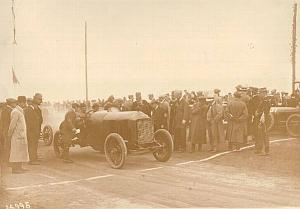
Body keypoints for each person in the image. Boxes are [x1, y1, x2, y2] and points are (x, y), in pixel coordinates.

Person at [8, 96, 30, 173]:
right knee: (16, 153)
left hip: (21, 136)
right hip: (16, 136)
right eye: (24, 102)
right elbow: (12, 125)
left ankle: (19, 167)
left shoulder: (20, 111)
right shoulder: (15, 112)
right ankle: (15, 169)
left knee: (20, 152)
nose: (25, 104)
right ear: (20, 102)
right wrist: (9, 135)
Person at [253, 88, 271, 155]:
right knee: (264, 135)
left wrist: (257, 114)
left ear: (263, 93)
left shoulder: (265, 101)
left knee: (260, 135)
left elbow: (264, 112)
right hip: (264, 119)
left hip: (262, 119)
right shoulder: (265, 101)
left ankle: (260, 150)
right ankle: (266, 150)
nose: (259, 94)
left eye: (260, 93)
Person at [0, 99, 17, 164]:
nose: (15, 104)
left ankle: (7, 160)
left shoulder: (6, 110)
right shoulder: (8, 110)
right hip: (7, 130)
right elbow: (5, 122)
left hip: (6, 130)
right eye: (14, 103)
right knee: (8, 146)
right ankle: (7, 161)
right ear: (11, 103)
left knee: (8, 145)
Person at [24, 98, 40, 165]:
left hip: (34, 131)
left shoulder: (32, 109)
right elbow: (29, 121)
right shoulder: (28, 109)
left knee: (34, 145)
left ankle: (34, 158)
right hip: (31, 131)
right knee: (31, 145)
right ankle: (32, 160)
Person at [32, 93, 43, 160]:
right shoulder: (30, 108)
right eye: (39, 99)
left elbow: (40, 120)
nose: (41, 101)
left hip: (37, 130)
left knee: (35, 144)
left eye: (41, 99)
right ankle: (32, 159)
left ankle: (35, 157)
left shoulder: (38, 109)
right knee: (32, 144)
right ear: (35, 99)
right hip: (31, 130)